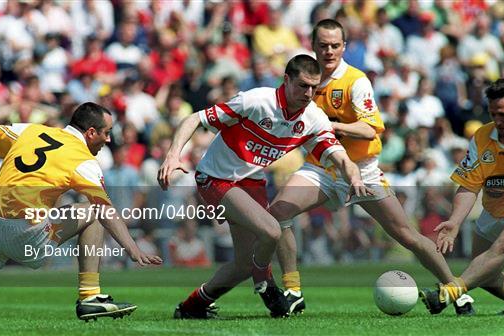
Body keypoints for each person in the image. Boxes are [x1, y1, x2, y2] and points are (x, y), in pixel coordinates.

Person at [270, 19, 474, 315]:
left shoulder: (356, 81)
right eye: (323, 45)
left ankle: (456, 290)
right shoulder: (303, 79)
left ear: (344, 47)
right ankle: (293, 291)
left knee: (406, 235)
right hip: (321, 166)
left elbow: (370, 129)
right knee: (277, 213)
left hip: (362, 169)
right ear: (312, 46)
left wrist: (332, 125)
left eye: (335, 45)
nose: (329, 51)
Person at [158, 54, 370, 319]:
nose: (308, 93)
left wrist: (355, 177)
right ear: (286, 80)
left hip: (251, 183)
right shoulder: (256, 100)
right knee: (272, 229)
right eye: (303, 85)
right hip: (215, 178)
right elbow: (193, 119)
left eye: (314, 87)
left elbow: (341, 157)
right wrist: (173, 155)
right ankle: (266, 284)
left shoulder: (314, 117)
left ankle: (191, 307)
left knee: (243, 264)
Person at [0, 102, 162, 321]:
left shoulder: (30, 130)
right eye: (106, 133)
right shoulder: (83, 160)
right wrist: (133, 249)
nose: (108, 139)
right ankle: (90, 297)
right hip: (24, 235)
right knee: (93, 212)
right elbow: (104, 210)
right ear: (91, 132)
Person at [420, 79, 504, 315]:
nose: (497, 121)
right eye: (493, 113)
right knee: (485, 272)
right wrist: (455, 222)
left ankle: (451, 292)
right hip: (493, 211)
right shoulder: (482, 136)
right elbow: (469, 186)